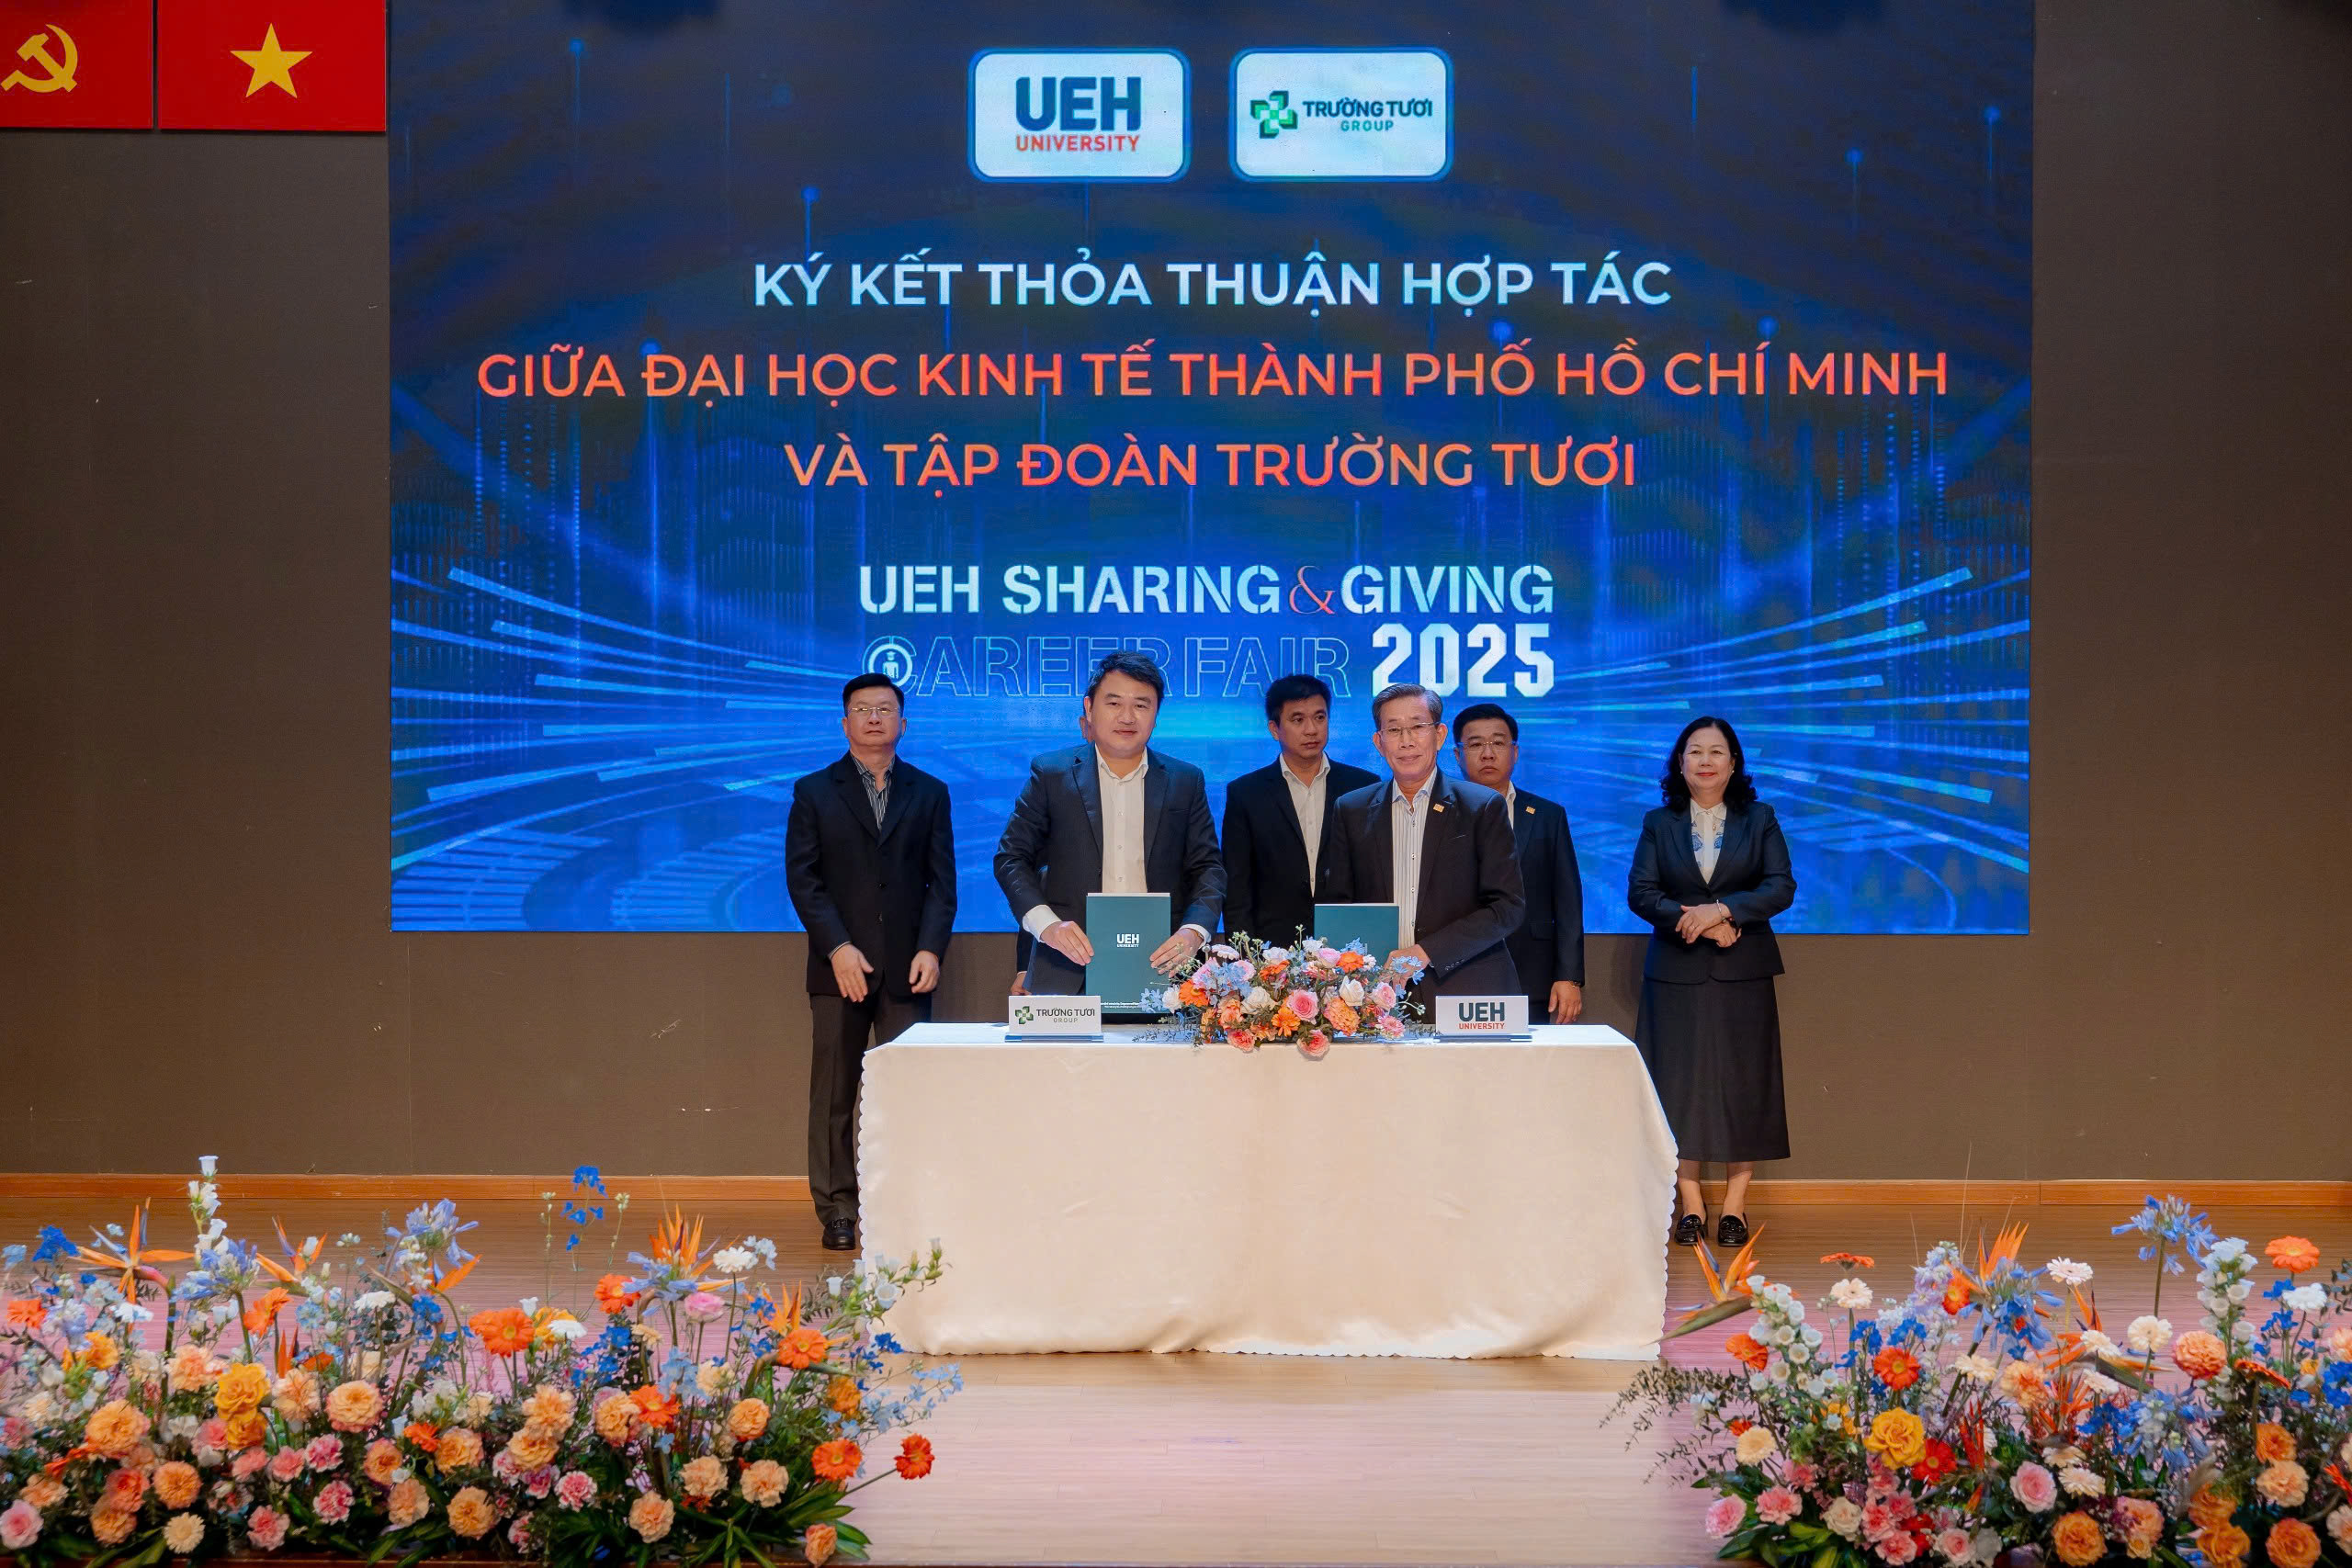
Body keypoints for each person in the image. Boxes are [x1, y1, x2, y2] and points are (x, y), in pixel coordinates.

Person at [785, 672, 956, 1252]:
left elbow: (941, 884)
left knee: (908, 1092)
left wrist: (931, 947)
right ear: (845, 723)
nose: (875, 718)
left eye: (885, 709)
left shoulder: (930, 792)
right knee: (835, 1095)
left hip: (909, 967)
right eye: (863, 709)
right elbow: (804, 881)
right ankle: (838, 1209)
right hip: (838, 968)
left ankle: (904, 1204)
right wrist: (837, 947)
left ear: (903, 723)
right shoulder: (813, 792)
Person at [1627, 715, 1795, 1250]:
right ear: (1680, 763)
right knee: (1677, 1085)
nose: (1705, 760)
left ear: (1733, 762)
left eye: (1716, 751)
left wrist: (1723, 911)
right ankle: (1692, 1205)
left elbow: (1780, 886)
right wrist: (1696, 922)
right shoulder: (1659, 822)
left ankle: (1735, 1206)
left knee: (1744, 1084)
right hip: (1675, 971)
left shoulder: (1760, 818)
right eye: (1695, 751)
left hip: (1743, 967)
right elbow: (1641, 893)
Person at [994, 650, 1226, 994]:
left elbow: (1208, 868)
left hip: (1163, 963)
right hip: (1066, 964)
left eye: (1141, 705)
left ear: (1156, 715)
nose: (1127, 717)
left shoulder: (1185, 781)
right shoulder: (1052, 774)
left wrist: (1194, 931)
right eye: (1114, 703)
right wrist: (1047, 926)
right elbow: (1011, 858)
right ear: (1089, 708)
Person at [1325, 683, 1524, 996]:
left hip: (1464, 988)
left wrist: (1426, 951)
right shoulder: (1351, 809)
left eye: (1418, 727)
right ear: (1379, 742)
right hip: (1378, 992)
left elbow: (1507, 907)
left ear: (1439, 735)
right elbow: (1339, 907)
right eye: (1394, 730)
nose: (1406, 741)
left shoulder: (1482, 806)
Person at [1450, 703, 1586, 1024]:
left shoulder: (1547, 815)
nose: (1488, 754)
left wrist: (1569, 976)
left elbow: (1567, 900)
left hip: (1530, 971)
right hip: (1454, 970)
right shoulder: (1441, 813)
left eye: (1498, 743)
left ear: (1515, 752)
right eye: (1475, 744)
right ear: (1457, 755)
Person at [1220, 673, 1380, 946]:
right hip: (1272, 949)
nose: (1311, 729)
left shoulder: (1364, 786)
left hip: (1348, 946)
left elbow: (1374, 876)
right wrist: (1245, 954)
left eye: (1320, 717)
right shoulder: (1246, 793)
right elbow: (1237, 888)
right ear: (1275, 729)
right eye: (1298, 720)